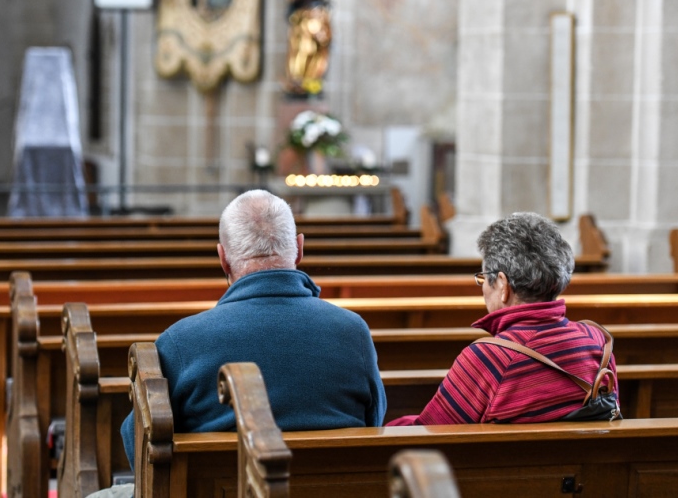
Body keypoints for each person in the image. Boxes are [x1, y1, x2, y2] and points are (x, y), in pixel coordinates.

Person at [120, 189, 386, 468]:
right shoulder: (353, 331)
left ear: (223, 258)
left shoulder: (180, 342)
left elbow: (139, 446)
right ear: (299, 249)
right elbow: (373, 422)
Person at [388, 212, 619, 426]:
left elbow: (428, 432)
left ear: (502, 284)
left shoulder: (489, 358)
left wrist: (388, 425)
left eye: (483, 277)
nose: (483, 288)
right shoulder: (597, 340)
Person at [284, 0, 332, 96]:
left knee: (317, 52)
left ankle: (313, 81)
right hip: (304, 21)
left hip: (318, 19)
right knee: (303, 50)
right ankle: (298, 82)